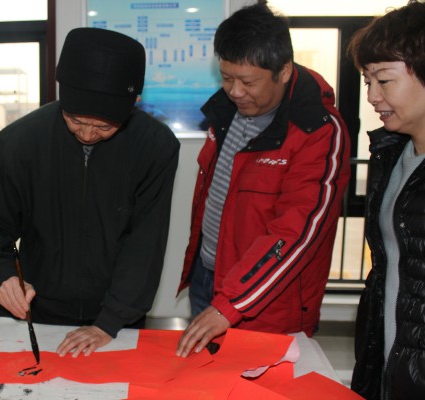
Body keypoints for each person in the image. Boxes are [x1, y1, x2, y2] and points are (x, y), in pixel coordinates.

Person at [0, 27, 180, 357]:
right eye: (75, 120)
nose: (88, 134)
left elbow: (145, 243)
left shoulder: (154, 146)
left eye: (104, 126)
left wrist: (110, 321)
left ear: (133, 104)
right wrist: (3, 276)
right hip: (39, 308)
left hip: (118, 319)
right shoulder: (20, 141)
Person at [175, 3, 350, 358]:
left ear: (283, 71)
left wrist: (232, 303)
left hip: (267, 300)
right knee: (204, 380)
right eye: (226, 78)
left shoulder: (317, 131)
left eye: (248, 82)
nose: (235, 91)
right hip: (208, 277)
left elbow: (297, 231)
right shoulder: (225, 112)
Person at [346, 2, 425, 398]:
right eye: (367, 81)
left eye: (384, 80)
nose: (372, 96)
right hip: (391, 364)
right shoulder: (392, 155)